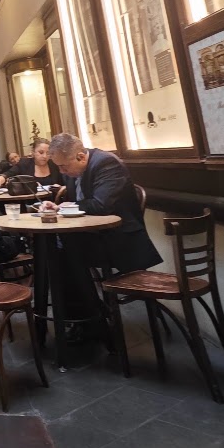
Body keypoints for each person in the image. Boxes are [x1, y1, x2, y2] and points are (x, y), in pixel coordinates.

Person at [36, 133, 163, 340]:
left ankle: (90, 319)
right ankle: (86, 317)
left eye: (63, 167)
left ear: (80, 157)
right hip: (91, 236)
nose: (62, 172)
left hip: (119, 239)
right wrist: (57, 206)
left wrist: (65, 207)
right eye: (58, 167)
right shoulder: (72, 169)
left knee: (64, 251)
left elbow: (100, 206)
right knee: (54, 250)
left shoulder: (107, 164)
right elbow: (77, 204)